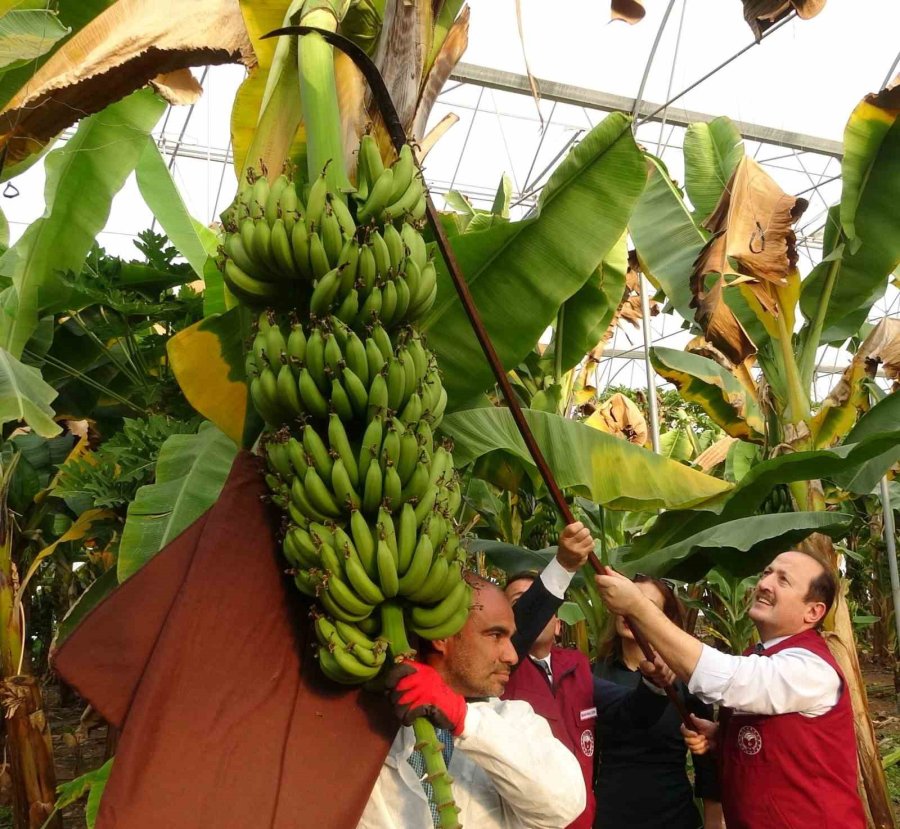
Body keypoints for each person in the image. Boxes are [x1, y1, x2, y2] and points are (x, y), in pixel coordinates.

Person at [594, 550, 865, 829]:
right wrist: (723, 738)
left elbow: (722, 678)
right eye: (767, 573)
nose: (765, 584)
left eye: (783, 580)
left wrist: (638, 608)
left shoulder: (810, 667)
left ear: (813, 612)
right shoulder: (757, 657)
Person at [355, 572, 586, 828]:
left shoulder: (514, 719)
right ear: (442, 636)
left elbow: (564, 804)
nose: (511, 655)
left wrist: (465, 720)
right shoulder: (368, 728)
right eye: (495, 635)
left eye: (510, 638)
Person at [502, 569, 673, 829]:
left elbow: (630, 711)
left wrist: (653, 683)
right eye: (522, 604)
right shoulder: (498, 675)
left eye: (542, 602)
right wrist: (562, 566)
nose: (535, 611)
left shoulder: (576, 668)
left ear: (559, 624)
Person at [592, 575, 722, 829]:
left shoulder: (687, 682)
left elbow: (707, 766)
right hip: (610, 818)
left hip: (673, 817)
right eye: (625, 602)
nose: (629, 612)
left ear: (663, 620)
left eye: (642, 605)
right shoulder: (592, 676)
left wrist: (714, 821)